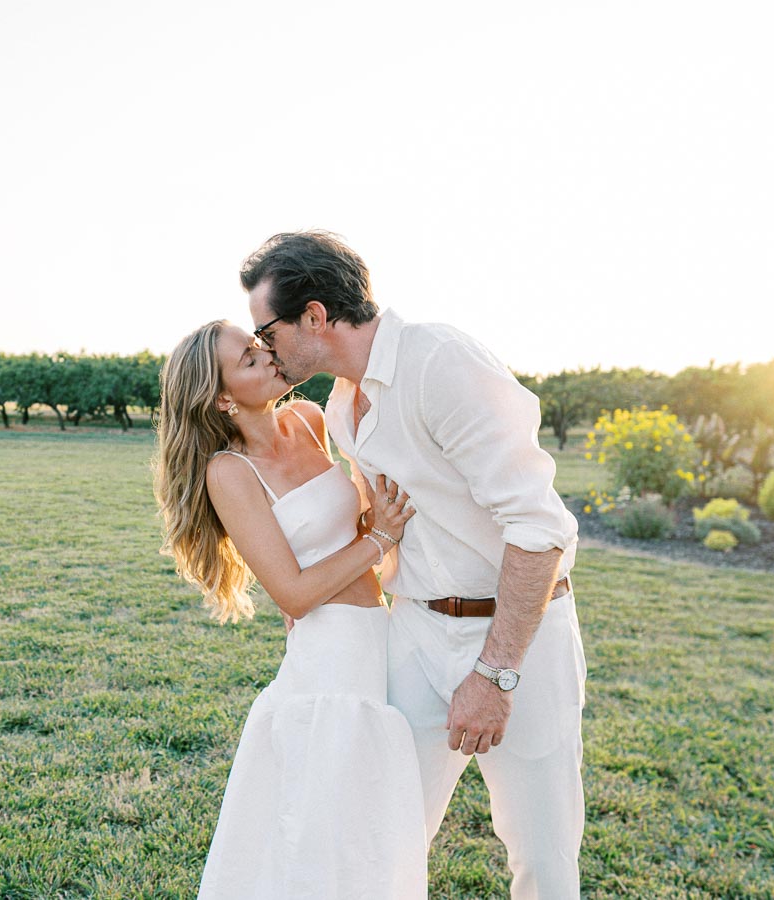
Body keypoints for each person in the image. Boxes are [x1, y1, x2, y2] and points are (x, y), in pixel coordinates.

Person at [240, 231, 587, 899]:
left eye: (268, 330)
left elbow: (538, 527)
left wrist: (495, 674)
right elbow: (387, 523)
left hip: (522, 638)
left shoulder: (441, 362)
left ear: (313, 316)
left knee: (542, 855)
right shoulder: (343, 407)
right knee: (380, 831)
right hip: (416, 632)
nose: (263, 350)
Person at [153, 319, 429, 899]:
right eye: (248, 361)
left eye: (257, 347)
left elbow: (341, 526)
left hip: (380, 633)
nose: (266, 357)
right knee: (320, 835)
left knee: (371, 827)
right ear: (223, 397)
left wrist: (370, 531)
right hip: (327, 660)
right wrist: (379, 539)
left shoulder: (306, 419)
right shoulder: (229, 472)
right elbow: (295, 595)